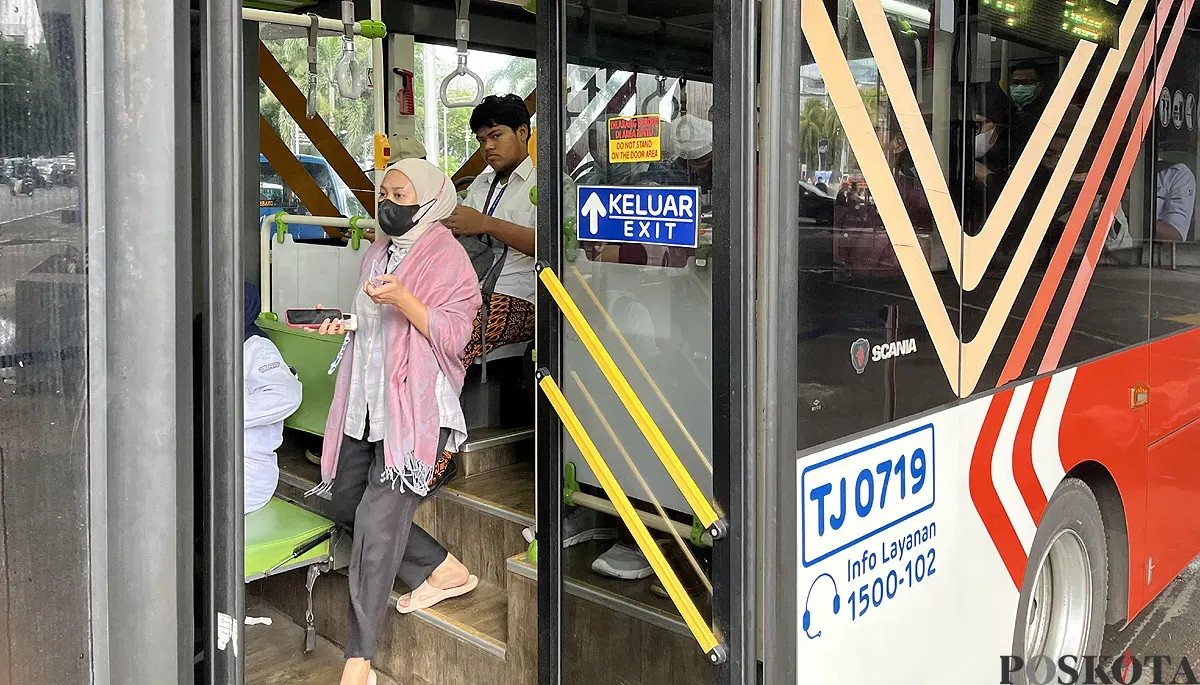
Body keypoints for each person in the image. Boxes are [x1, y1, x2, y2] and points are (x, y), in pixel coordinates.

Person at [312, 158, 483, 685]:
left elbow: (457, 339)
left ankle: (358, 659)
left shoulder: (449, 259)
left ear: (429, 201)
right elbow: (371, 323)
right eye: (383, 191)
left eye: (401, 194)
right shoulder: (377, 252)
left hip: (411, 414)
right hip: (365, 403)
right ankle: (445, 570)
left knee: (374, 524)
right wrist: (345, 323)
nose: (388, 201)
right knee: (343, 501)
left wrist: (406, 300)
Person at [442, 94, 539, 367]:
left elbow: (552, 245)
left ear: (522, 132)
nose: (488, 147)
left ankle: (437, 408)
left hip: (520, 297)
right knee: (409, 322)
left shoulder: (548, 185)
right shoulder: (480, 185)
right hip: (468, 291)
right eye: (482, 140)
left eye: (496, 136)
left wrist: (486, 224)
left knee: (453, 338)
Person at [242, 283, 303, 514]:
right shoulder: (207, 339)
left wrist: (223, 414)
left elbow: (287, 395)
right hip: (212, 464)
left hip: (248, 473)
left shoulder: (257, 347)